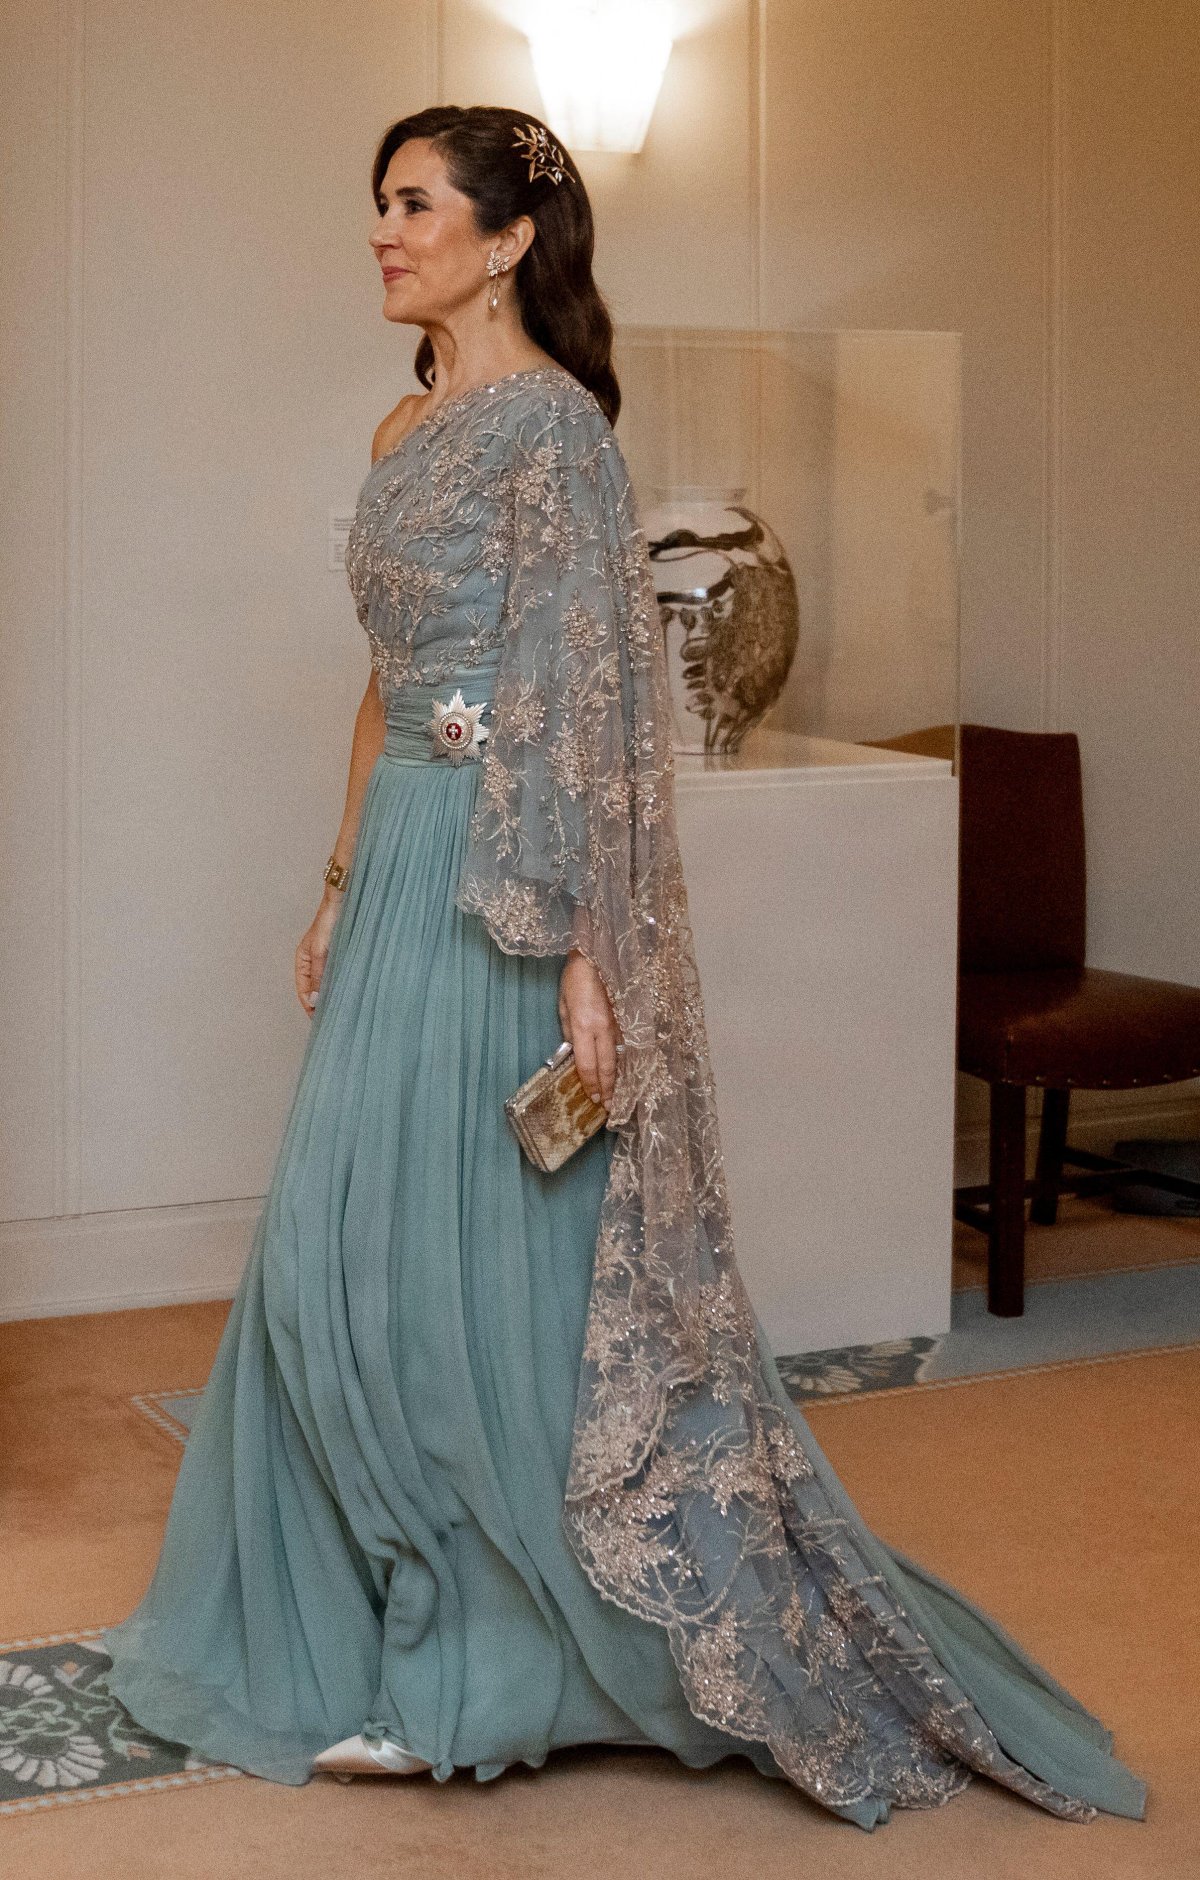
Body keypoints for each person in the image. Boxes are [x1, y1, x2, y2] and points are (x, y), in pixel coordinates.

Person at [98, 104, 1148, 1833]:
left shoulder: (558, 433)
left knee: (469, 1280)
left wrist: (596, 956)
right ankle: (378, 1601)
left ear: (508, 238)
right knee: (331, 1262)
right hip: (404, 864)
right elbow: (386, 685)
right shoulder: (402, 424)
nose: (383, 231)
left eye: (414, 204)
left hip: (507, 886)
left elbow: (597, 711)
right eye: (378, 204)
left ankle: (480, 1657)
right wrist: (337, 880)